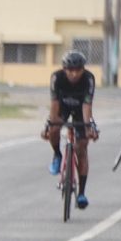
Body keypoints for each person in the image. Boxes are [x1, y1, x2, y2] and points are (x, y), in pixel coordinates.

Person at [44, 50, 99, 209]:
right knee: (54, 129)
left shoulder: (89, 79)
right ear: (64, 69)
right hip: (63, 107)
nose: (74, 74)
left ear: (83, 69)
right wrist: (52, 125)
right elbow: (54, 104)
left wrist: (88, 127)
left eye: (78, 70)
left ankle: (81, 193)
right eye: (70, 70)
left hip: (81, 110)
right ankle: (57, 155)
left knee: (82, 147)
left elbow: (87, 105)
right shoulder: (57, 77)